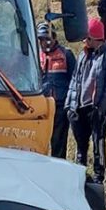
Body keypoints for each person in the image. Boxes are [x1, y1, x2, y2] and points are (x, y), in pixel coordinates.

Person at [65, 17, 106, 182]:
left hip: (96, 107)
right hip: (79, 107)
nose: (84, 40)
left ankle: (99, 176)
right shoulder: (83, 54)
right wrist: (70, 106)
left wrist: (103, 108)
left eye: (86, 37)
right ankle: (80, 174)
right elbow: (75, 80)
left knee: (98, 143)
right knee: (80, 145)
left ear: (93, 37)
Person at [37, 22, 77, 158]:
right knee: (39, 143)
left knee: (58, 143)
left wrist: (71, 105)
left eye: (47, 39)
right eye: (41, 40)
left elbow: (75, 81)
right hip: (41, 106)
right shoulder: (36, 56)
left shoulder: (66, 54)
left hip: (60, 106)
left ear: (54, 38)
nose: (44, 43)